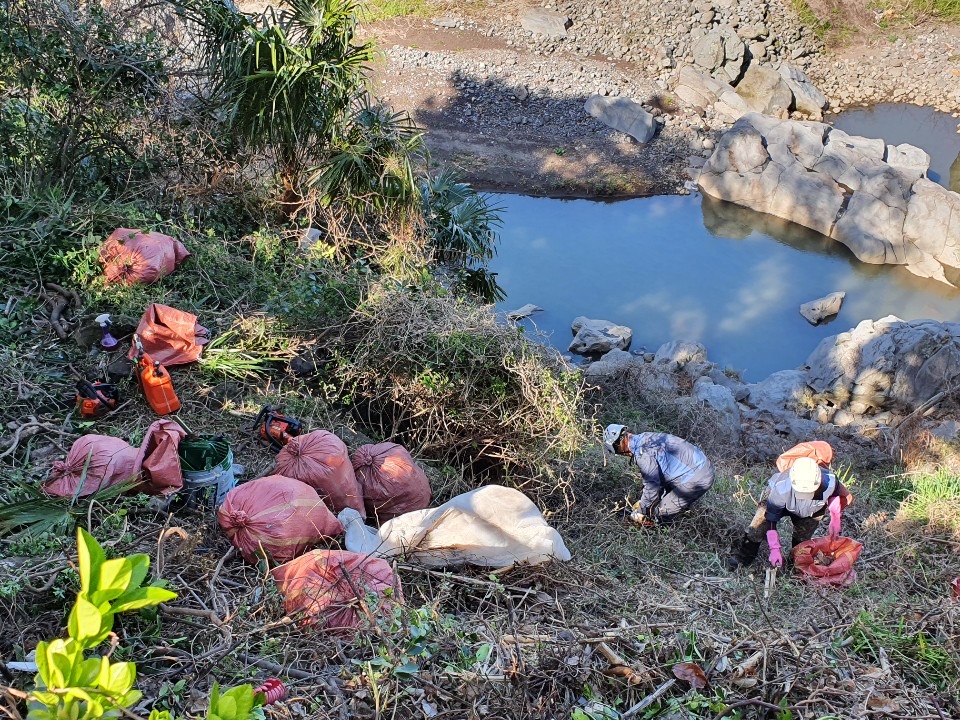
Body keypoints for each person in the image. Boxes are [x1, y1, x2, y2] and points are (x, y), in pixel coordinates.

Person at [726, 455, 853, 570]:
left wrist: (835, 518)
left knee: (802, 540)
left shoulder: (831, 481)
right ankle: (743, 557)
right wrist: (774, 547)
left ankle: (795, 564)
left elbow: (835, 496)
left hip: (811, 510)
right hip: (783, 503)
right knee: (757, 526)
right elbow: (771, 519)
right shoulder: (781, 488)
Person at [603, 424, 715, 525]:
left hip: (697, 476)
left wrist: (641, 511)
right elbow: (659, 477)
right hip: (697, 466)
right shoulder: (645, 438)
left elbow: (653, 486)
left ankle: (665, 537)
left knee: (660, 513)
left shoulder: (642, 454)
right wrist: (644, 503)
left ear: (618, 446)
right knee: (657, 503)